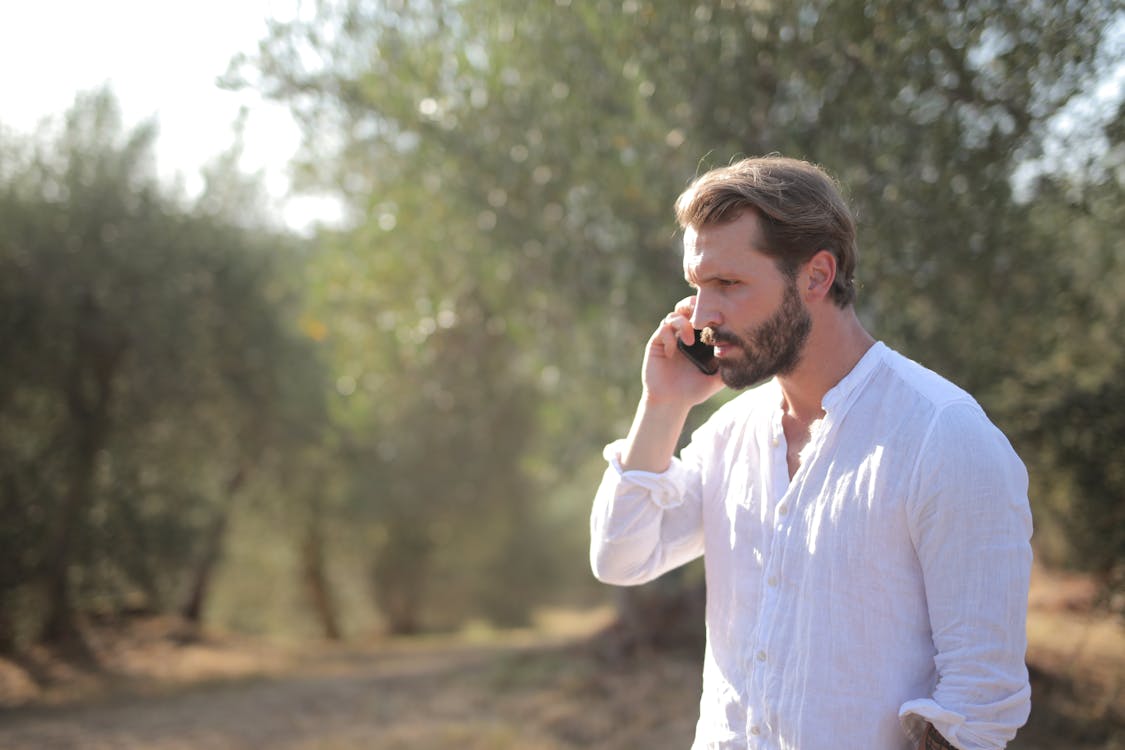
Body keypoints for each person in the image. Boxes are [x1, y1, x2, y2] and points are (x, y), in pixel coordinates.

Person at [589, 156, 1033, 750]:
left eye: (728, 284)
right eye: (696, 286)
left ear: (816, 276)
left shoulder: (944, 435)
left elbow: (980, 704)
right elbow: (620, 556)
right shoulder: (730, 434)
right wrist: (663, 404)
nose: (701, 315)